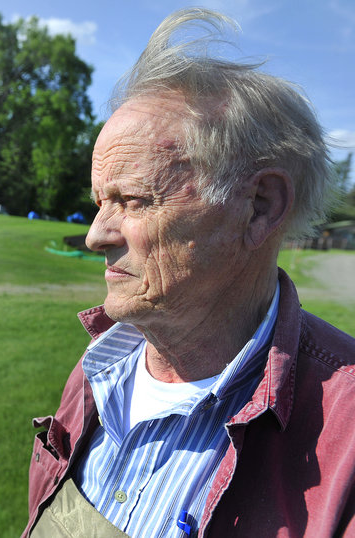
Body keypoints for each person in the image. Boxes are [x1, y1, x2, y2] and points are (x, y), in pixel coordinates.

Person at [24, 8, 355, 538]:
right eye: (99, 202)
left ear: (259, 207)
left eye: (132, 200)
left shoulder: (346, 433)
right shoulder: (100, 368)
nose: (95, 234)